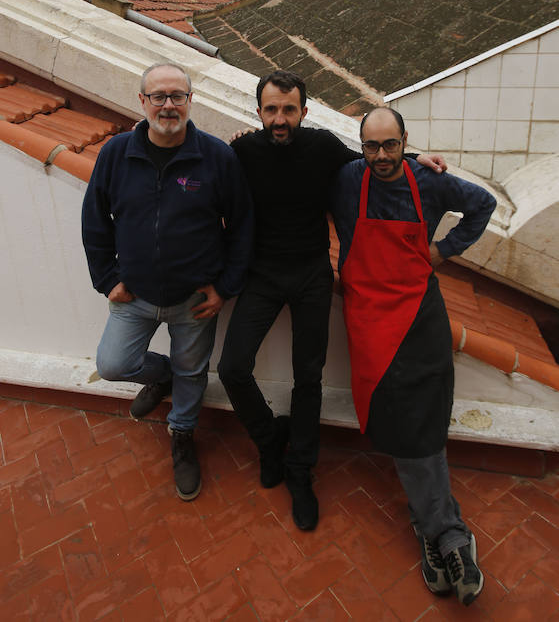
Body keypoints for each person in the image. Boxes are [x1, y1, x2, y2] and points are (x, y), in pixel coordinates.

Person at [218, 70, 445, 532]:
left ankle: (300, 470)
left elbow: (372, 162)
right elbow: (207, 173)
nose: (279, 119)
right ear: (258, 111)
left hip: (311, 276)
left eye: (289, 109)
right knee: (232, 367)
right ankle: (269, 440)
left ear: (304, 110)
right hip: (261, 275)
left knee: (309, 377)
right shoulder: (243, 151)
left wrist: (417, 159)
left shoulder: (322, 146)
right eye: (270, 110)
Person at [331, 105, 496, 607]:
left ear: (405, 142)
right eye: (372, 146)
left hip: (420, 313)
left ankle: (441, 532)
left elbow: (483, 204)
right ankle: (443, 531)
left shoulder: (429, 181)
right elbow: (290, 158)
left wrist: (442, 251)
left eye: (391, 145)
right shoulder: (346, 178)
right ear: (360, 146)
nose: (381, 156)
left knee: (423, 413)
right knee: (402, 417)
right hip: (369, 318)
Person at [81, 63, 253, 501]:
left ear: (190, 101)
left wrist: (225, 287)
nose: (168, 105)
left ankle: (182, 434)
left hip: (194, 299)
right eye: (158, 96)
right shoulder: (116, 153)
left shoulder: (217, 156)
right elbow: (95, 218)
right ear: (142, 101)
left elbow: (242, 226)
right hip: (133, 295)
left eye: (177, 96)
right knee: (113, 365)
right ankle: (163, 376)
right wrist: (107, 279)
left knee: (193, 371)